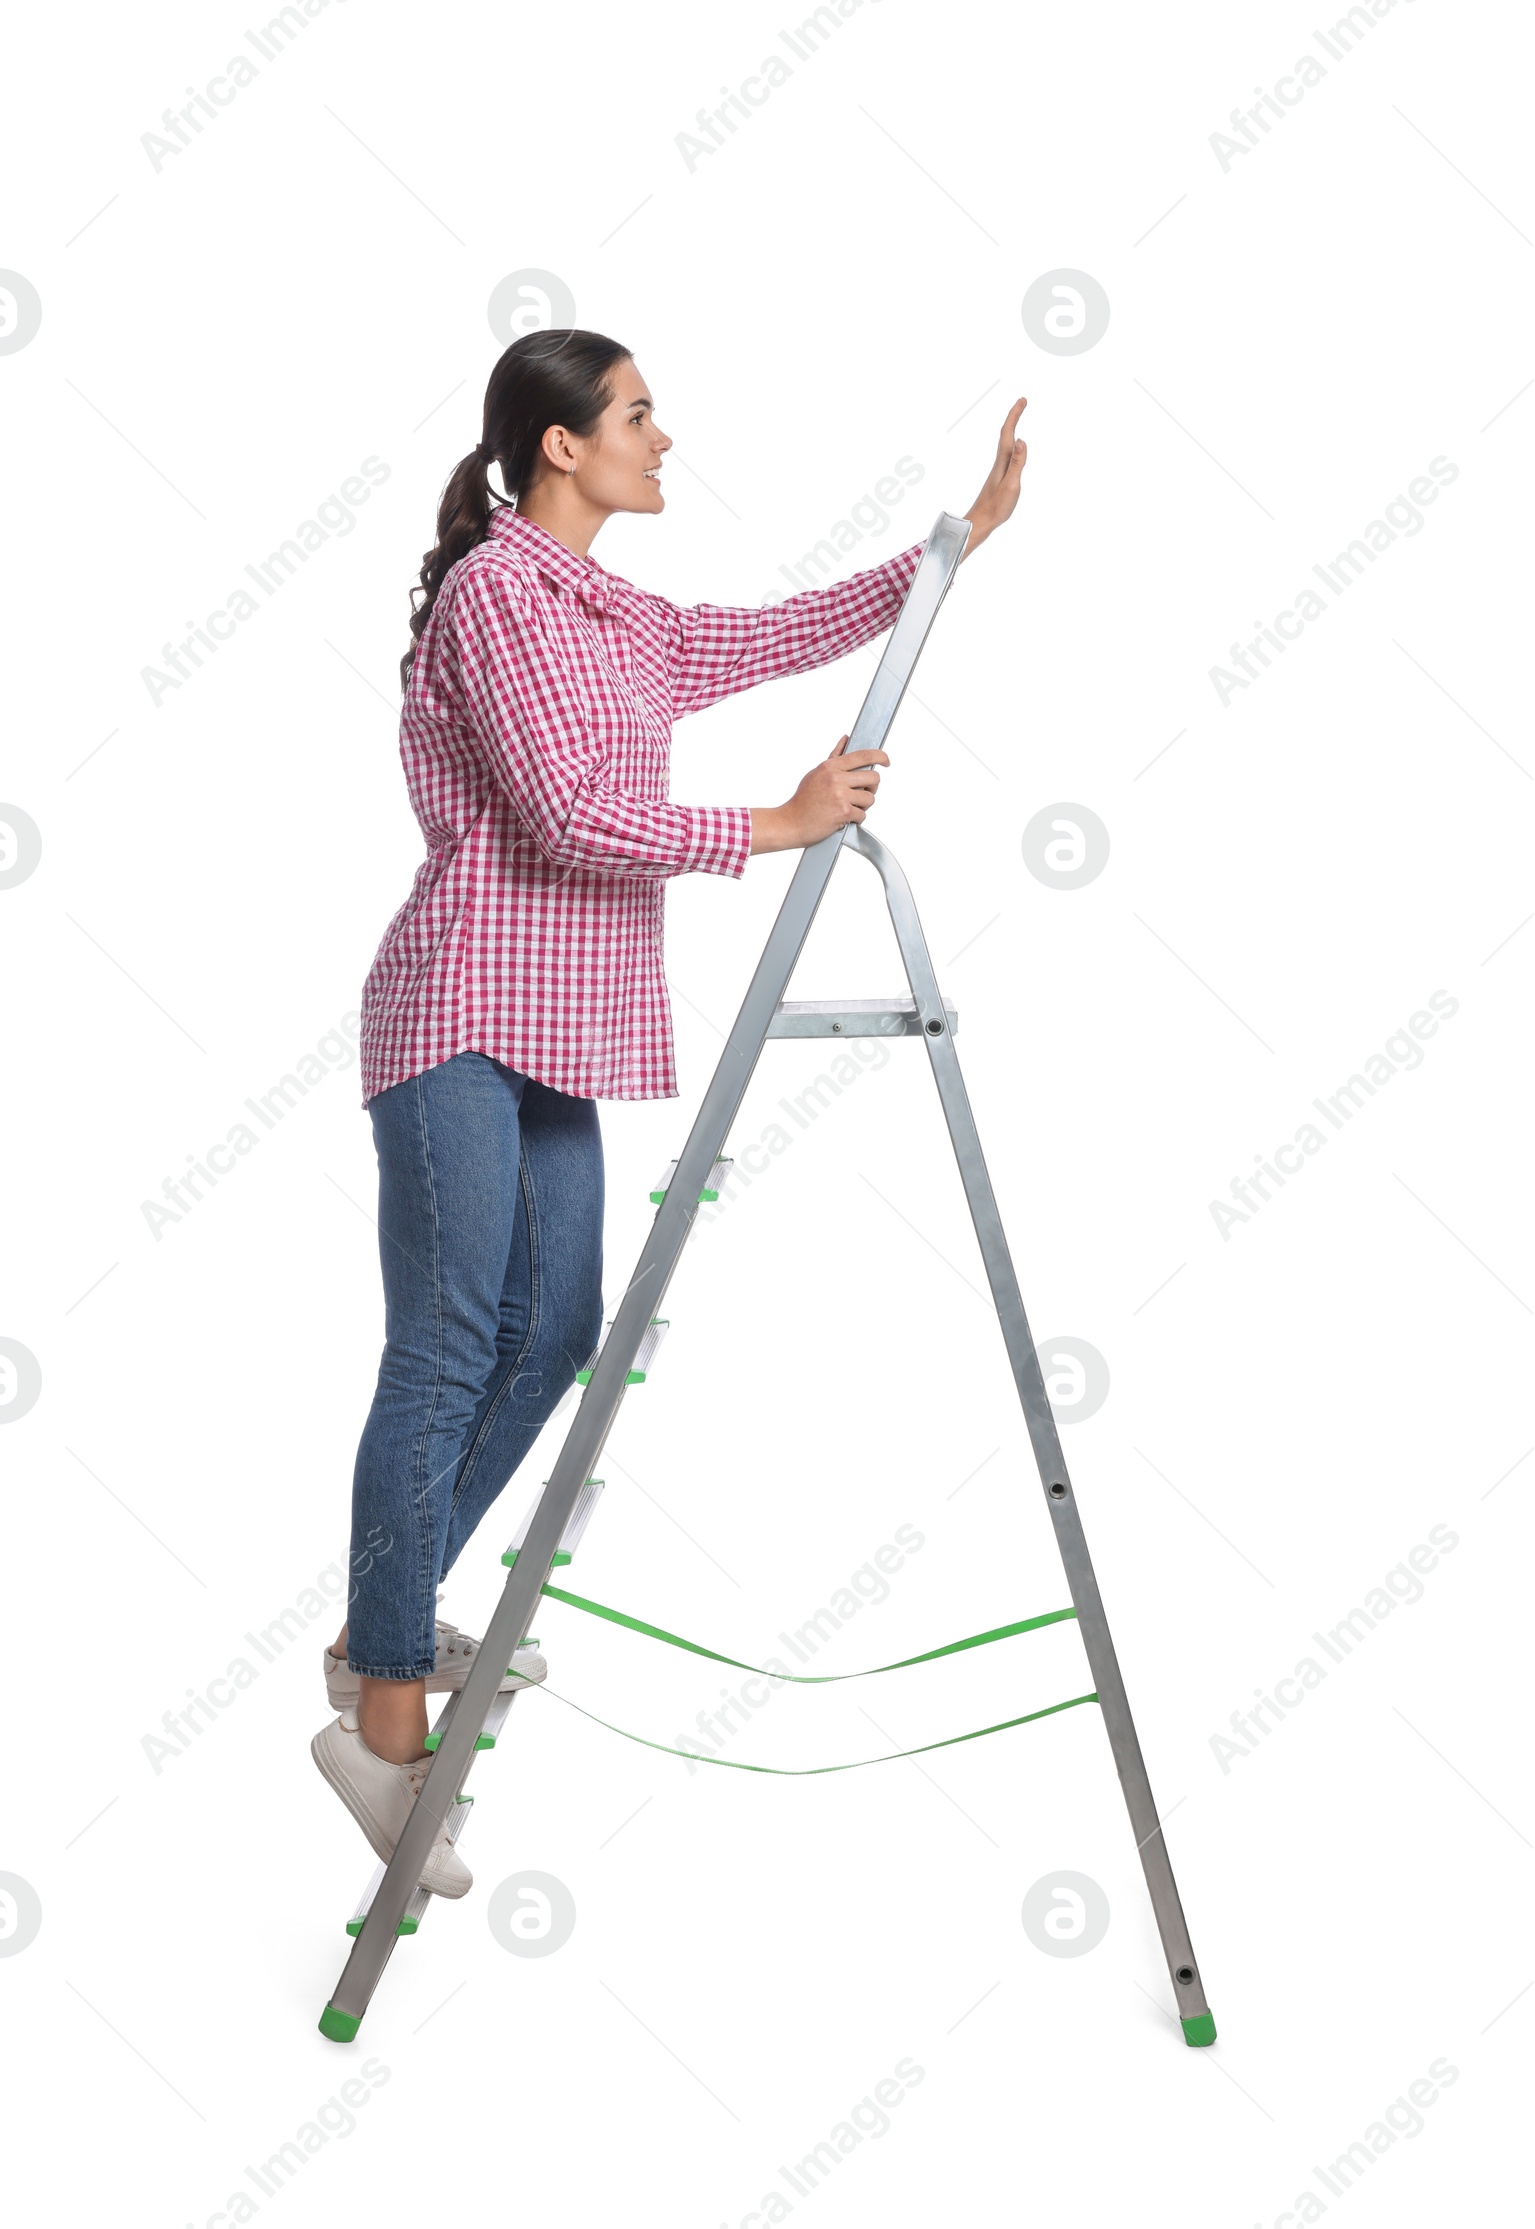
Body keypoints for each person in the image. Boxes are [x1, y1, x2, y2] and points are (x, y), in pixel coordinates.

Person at [311, 327, 1027, 1895]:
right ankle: (380, 1716)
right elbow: (569, 814)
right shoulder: (505, 598)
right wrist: (770, 824)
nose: (664, 436)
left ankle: (387, 1608)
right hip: (455, 1008)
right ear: (560, 445)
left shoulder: (609, 609)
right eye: (638, 414)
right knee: (442, 1343)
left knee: (556, 1324)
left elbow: (764, 636)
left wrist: (951, 546)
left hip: (552, 1027)